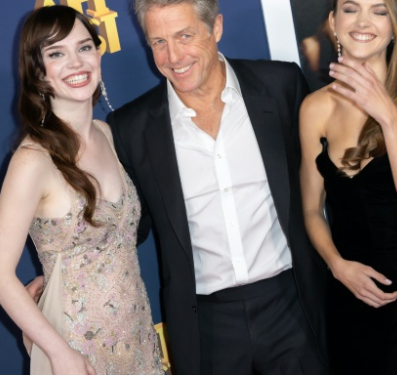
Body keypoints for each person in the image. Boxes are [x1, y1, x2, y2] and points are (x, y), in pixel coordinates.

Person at [106, 0, 331, 373]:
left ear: (217, 28)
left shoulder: (280, 87)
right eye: (158, 42)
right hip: (205, 326)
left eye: (185, 36)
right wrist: (64, 268)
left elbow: (327, 172)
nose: (173, 56)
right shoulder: (131, 128)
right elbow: (130, 225)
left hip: (293, 307)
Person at [0, 6, 163, 375]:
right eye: (56, 54)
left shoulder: (108, 135)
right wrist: (59, 352)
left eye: (84, 48)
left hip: (137, 336)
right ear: (38, 72)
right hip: (74, 349)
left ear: (98, 54)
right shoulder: (33, 160)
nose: (75, 63)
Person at [299, 0, 397, 373]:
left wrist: (387, 116)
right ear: (334, 22)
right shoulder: (314, 108)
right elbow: (310, 209)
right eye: (351, 9)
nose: (363, 21)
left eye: (379, 11)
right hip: (347, 293)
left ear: (395, 25)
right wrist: (337, 266)